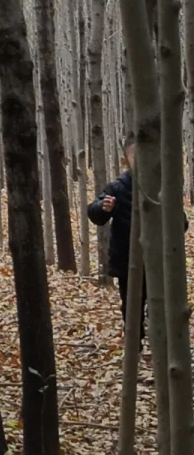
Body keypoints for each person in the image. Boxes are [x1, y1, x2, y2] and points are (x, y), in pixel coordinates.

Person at [88, 136, 141, 327]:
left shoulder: (160, 185)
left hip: (159, 261)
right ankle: (134, 350)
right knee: (131, 307)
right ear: (125, 160)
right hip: (127, 261)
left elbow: (181, 223)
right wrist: (103, 207)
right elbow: (94, 213)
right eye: (136, 156)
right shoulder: (118, 187)